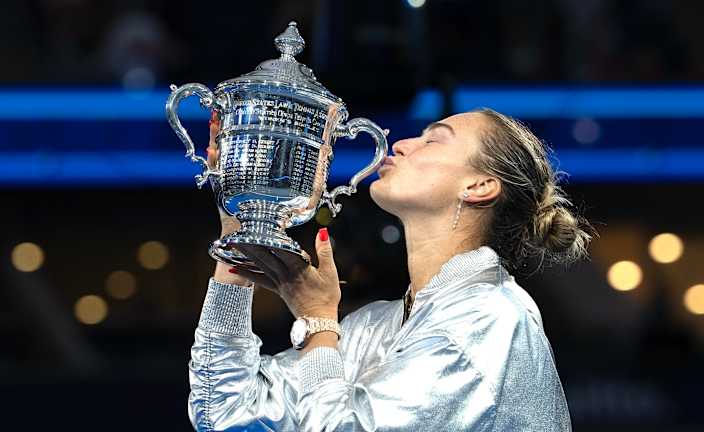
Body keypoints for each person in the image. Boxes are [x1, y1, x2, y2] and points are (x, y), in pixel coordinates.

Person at [188, 109, 594, 431]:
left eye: (433, 140)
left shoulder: (492, 318)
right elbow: (223, 409)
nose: (401, 144)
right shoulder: (375, 326)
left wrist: (317, 321)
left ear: (479, 186)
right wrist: (237, 247)